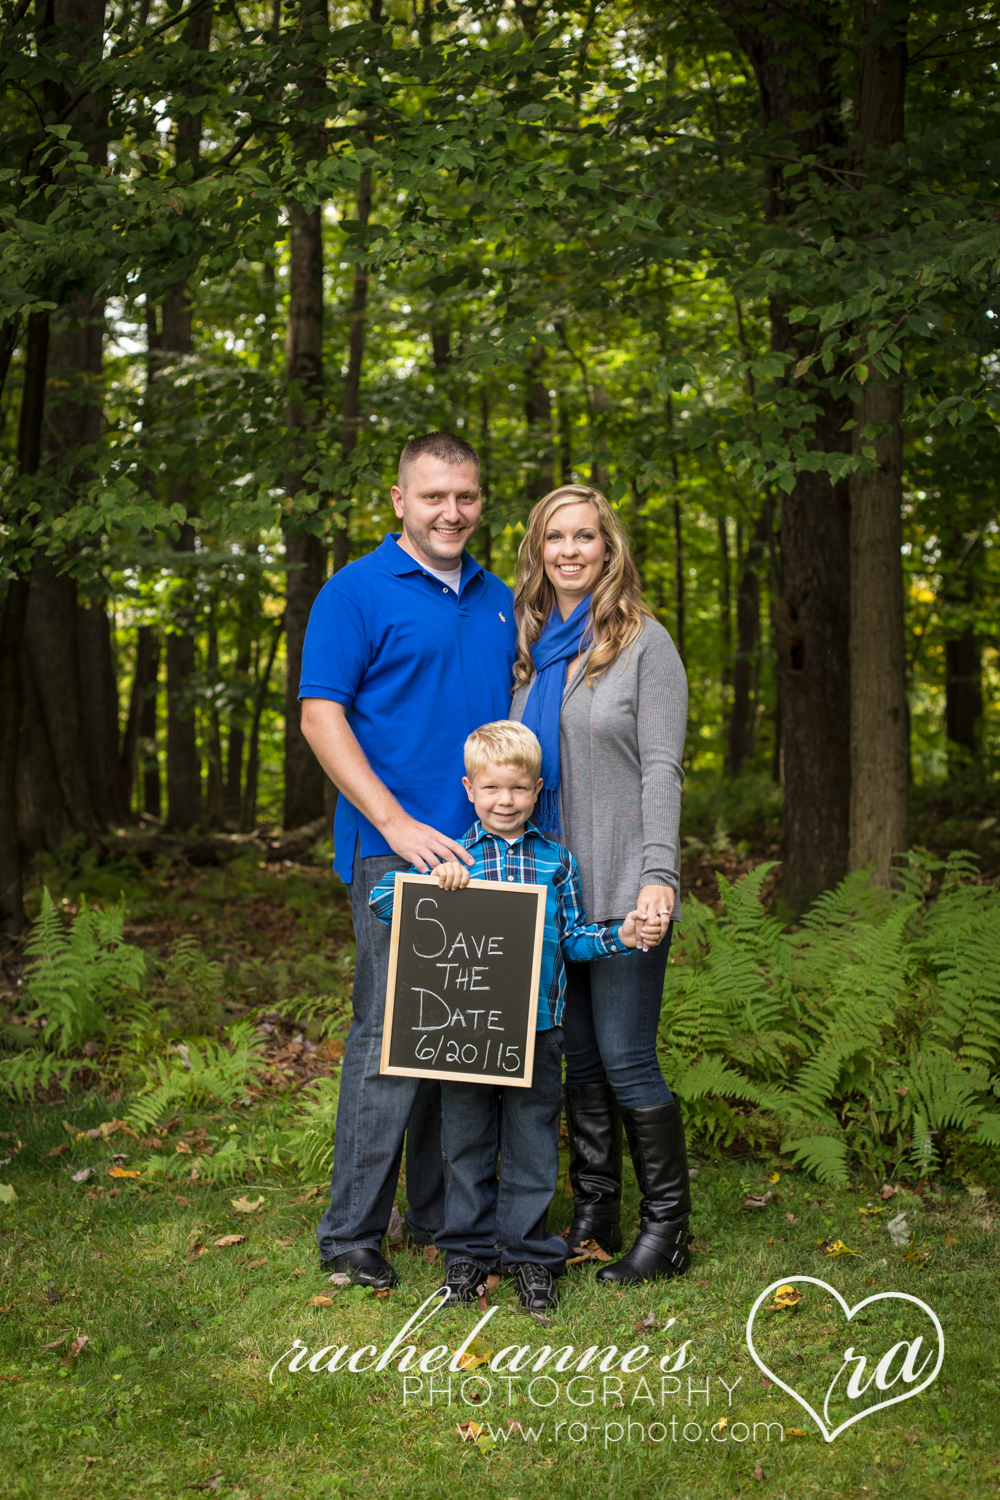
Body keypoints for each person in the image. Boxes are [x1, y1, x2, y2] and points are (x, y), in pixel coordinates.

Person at [298, 432, 517, 1289]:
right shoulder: (354, 592)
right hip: (395, 851)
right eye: (433, 497)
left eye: (464, 497)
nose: (450, 512)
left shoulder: (500, 598)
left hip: (490, 854)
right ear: (399, 501)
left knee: (455, 1040)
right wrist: (393, 824)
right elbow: (322, 717)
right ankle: (351, 1235)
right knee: (390, 1039)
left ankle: (436, 1213)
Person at [369, 721, 656, 1313]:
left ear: (538, 789)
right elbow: (381, 904)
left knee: (531, 1145)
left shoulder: (557, 862)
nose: (507, 801)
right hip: (466, 1033)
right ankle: (467, 1257)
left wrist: (619, 935)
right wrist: (432, 884)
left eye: (520, 789)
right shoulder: (455, 858)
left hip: (538, 1030)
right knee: (467, 1144)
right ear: (470, 789)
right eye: (495, 789)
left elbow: (574, 938)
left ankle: (530, 1256)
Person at [510, 484, 691, 1286]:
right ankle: (594, 1213)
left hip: (622, 885)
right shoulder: (530, 649)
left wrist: (660, 875)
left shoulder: (645, 643)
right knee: (576, 1060)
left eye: (586, 536)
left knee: (625, 1060)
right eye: (557, 537)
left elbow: (661, 766)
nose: (572, 551)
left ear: (609, 549)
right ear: (539, 550)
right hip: (548, 892)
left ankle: (667, 1234)